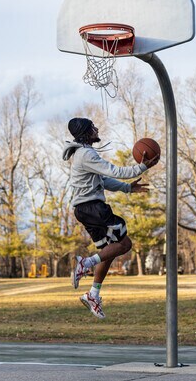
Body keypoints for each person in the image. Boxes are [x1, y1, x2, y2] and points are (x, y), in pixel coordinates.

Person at [62, 117, 159, 319]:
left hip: (85, 209)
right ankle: (84, 264)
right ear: (86, 133)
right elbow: (114, 171)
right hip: (93, 208)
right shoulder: (86, 154)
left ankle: (93, 294)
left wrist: (127, 188)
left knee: (109, 251)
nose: (96, 129)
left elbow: (103, 180)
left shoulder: (82, 154)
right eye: (93, 128)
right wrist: (142, 167)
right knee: (125, 244)